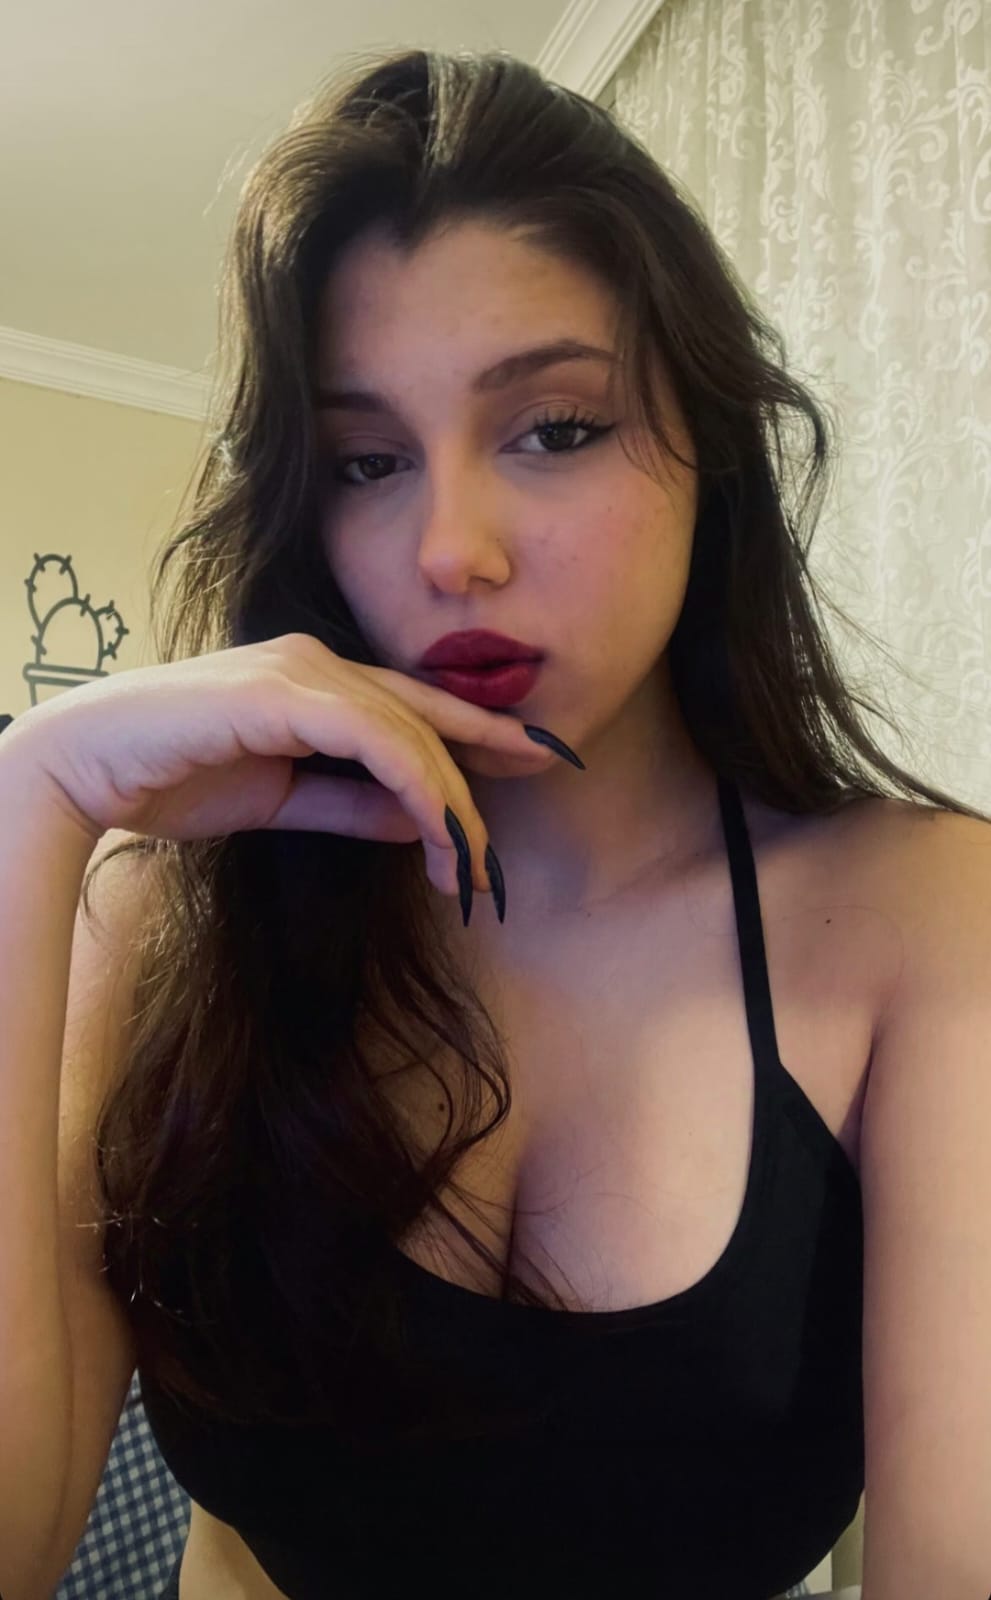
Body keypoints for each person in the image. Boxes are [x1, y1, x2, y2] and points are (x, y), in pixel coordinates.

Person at [2, 44, 989, 1600]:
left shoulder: (922, 919)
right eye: (366, 460)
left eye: (556, 429)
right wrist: (32, 804)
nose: (449, 549)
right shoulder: (167, 912)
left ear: (711, 444)